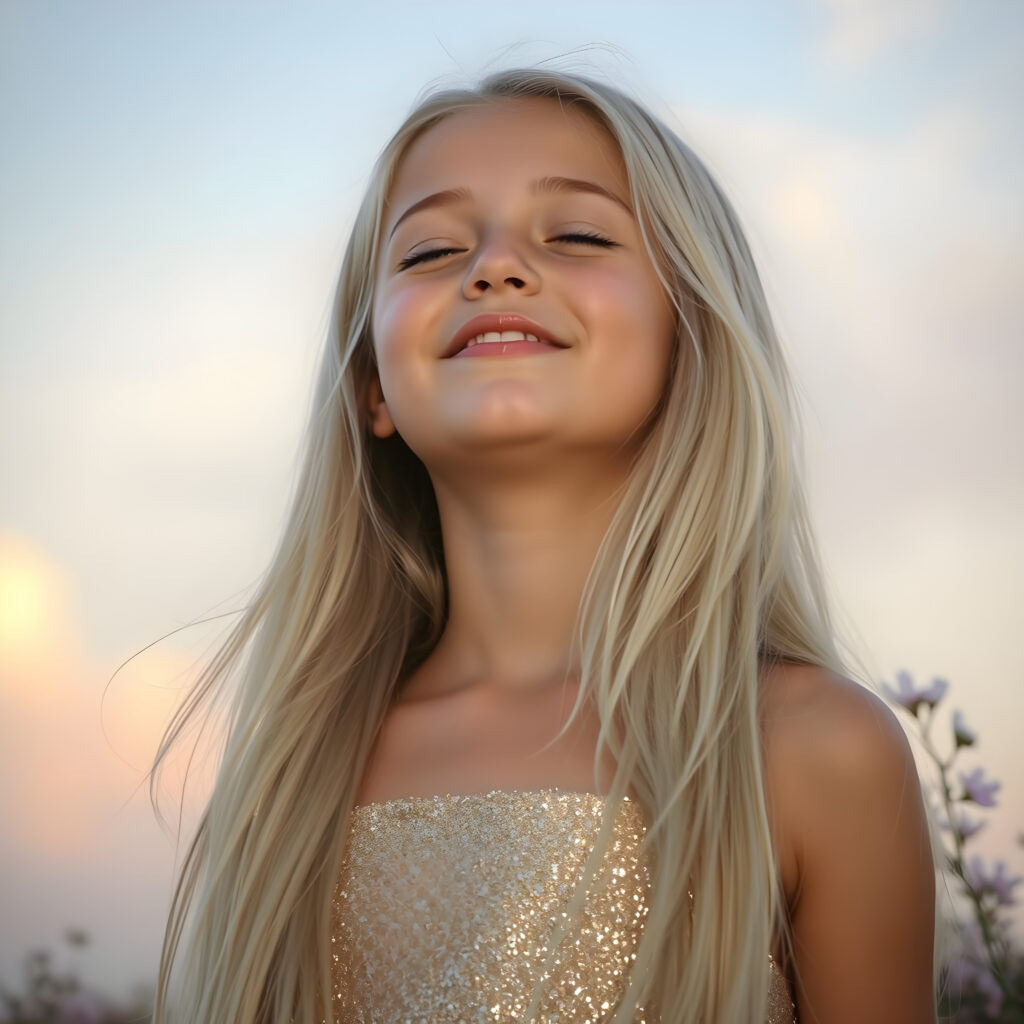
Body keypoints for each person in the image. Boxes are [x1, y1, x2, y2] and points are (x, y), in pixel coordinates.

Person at [151, 66, 937, 1023]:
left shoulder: (811, 752)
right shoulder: (293, 780)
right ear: (373, 388)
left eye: (576, 234)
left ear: (690, 334)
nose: (493, 267)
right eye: (431, 250)